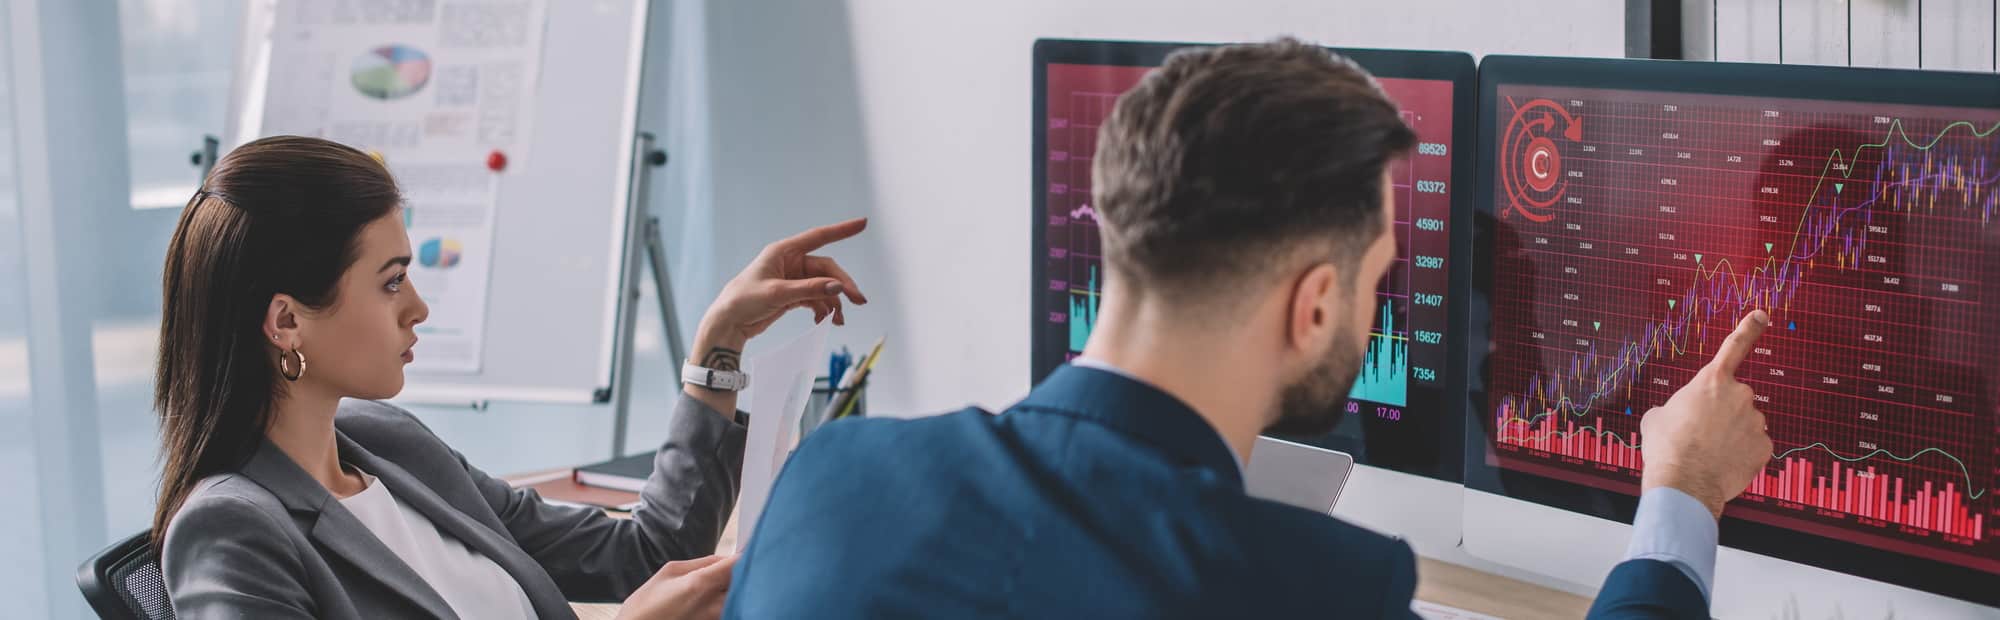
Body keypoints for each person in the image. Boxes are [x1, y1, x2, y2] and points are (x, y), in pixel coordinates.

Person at [726, 40, 1772, 619]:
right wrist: (1677, 496)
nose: (1379, 310)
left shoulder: (832, 478)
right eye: (1376, 282)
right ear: (1311, 303)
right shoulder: (1298, 588)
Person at [153, 135, 870, 619]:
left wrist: (719, 346)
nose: (418, 309)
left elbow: (641, 557)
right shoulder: (230, 528)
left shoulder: (388, 447)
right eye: (391, 283)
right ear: (286, 322)